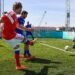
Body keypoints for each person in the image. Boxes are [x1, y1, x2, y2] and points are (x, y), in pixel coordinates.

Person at [0, 2, 34, 70]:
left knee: (17, 48)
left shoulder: (14, 15)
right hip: (11, 35)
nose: (21, 11)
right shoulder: (11, 13)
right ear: (16, 8)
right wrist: (28, 29)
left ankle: (18, 66)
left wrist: (27, 29)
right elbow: (3, 18)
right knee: (24, 39)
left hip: (5, 37)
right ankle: (30, 43)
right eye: (20, 9)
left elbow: (17, 26)